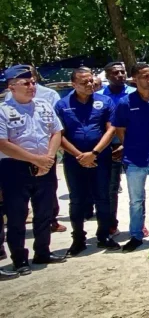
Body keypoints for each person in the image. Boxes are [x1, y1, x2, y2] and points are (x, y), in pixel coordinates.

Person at [0, 65, 67, 276]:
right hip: (15, 167)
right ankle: (19, 259)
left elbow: (56, 132)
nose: (32, 86)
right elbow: (3, 143)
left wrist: (48, 158)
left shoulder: (43, 105)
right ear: (12, 87)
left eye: (33, 83)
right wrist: (35, 159)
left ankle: (43, 252)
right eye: (26, 83)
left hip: (45, 165)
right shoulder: (3, 110)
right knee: (17, 216)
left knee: (44, 212)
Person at [54, 67, 121, 256]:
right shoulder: (62, 105)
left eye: (91, 80)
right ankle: (78, 239)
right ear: (73, 84)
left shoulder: (105, 101)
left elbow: (111, 129)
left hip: (101, 158)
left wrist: (94, 153)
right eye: (84, 82)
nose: (90, 84)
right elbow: (58, 134)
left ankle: (104, 235)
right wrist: (80, 156)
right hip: (74, 160)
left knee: (103, 197)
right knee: (77, 200)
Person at [111, 63, 149, 252]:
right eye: (145, 76)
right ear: (134, 80)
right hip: (135, 161)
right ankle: (136, 236)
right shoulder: (125, 103)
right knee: (136, 201)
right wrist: (129, 146)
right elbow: (120, 129)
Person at [97, 62, 137, 237]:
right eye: (115, 73)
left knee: (136, 189)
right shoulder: (98, 97)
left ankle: (138, 224)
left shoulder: (134, 94)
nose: (120, 75)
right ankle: (111, 225)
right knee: (110, 189)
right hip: (108, 149)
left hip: (132, 146)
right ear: (107, 76)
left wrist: (125, 144)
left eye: (122, 72)